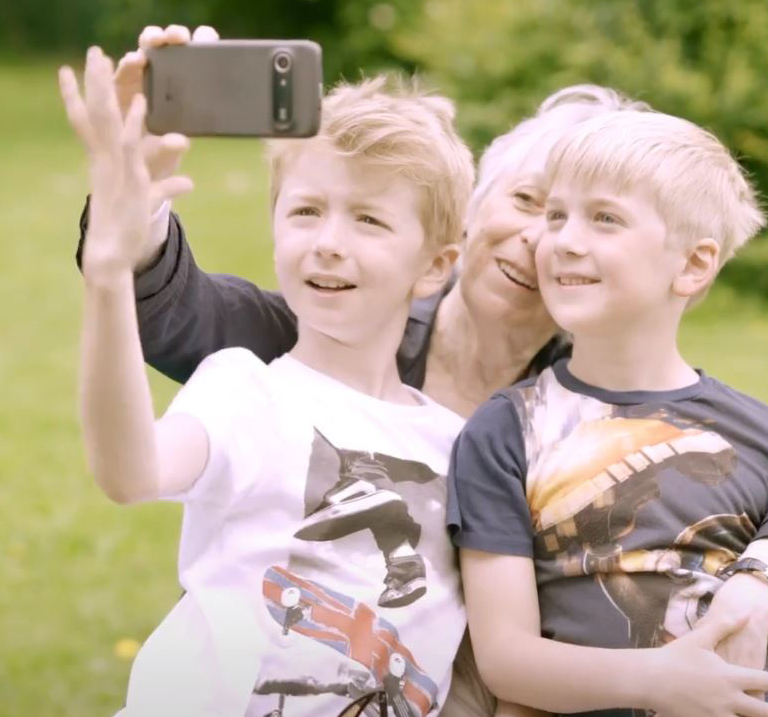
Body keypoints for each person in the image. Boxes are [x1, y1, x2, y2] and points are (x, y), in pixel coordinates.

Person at [73, 25, 768, 716]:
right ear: (465, 226)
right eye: (534, 203)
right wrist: (124, 232)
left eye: (595, 220)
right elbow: (172, 330)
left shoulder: (557, 430)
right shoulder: (278, 361)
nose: (549, 239)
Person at [61, 44, 481, 716]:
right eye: (306, 210)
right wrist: (109, 274)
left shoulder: (460, 445)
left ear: (436, 265)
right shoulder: (246, 390)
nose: (328, 241)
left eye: (368, 218)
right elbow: (129, 471)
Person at [447, 107, 768, 717]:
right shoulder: (504, 431)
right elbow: (507, 658)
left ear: (693, 264)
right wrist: (659, 681)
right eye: (556, 215)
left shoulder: (756, 432)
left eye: (605, 219)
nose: (563, 240)